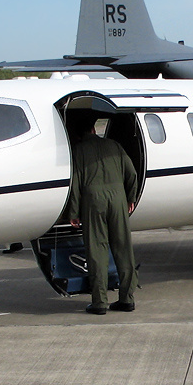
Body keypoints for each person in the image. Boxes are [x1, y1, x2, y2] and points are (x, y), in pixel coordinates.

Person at [66, 122, 139, 315]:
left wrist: (73, 212)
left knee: (97, 251)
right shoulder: (114, 145)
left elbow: (75, 182)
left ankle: (99, 302)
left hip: (93, 201)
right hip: (118, 199)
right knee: (123, 248)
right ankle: (127, 299)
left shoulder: (78, 151)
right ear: (93, 129)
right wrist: (131, 198)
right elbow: (132, 173)